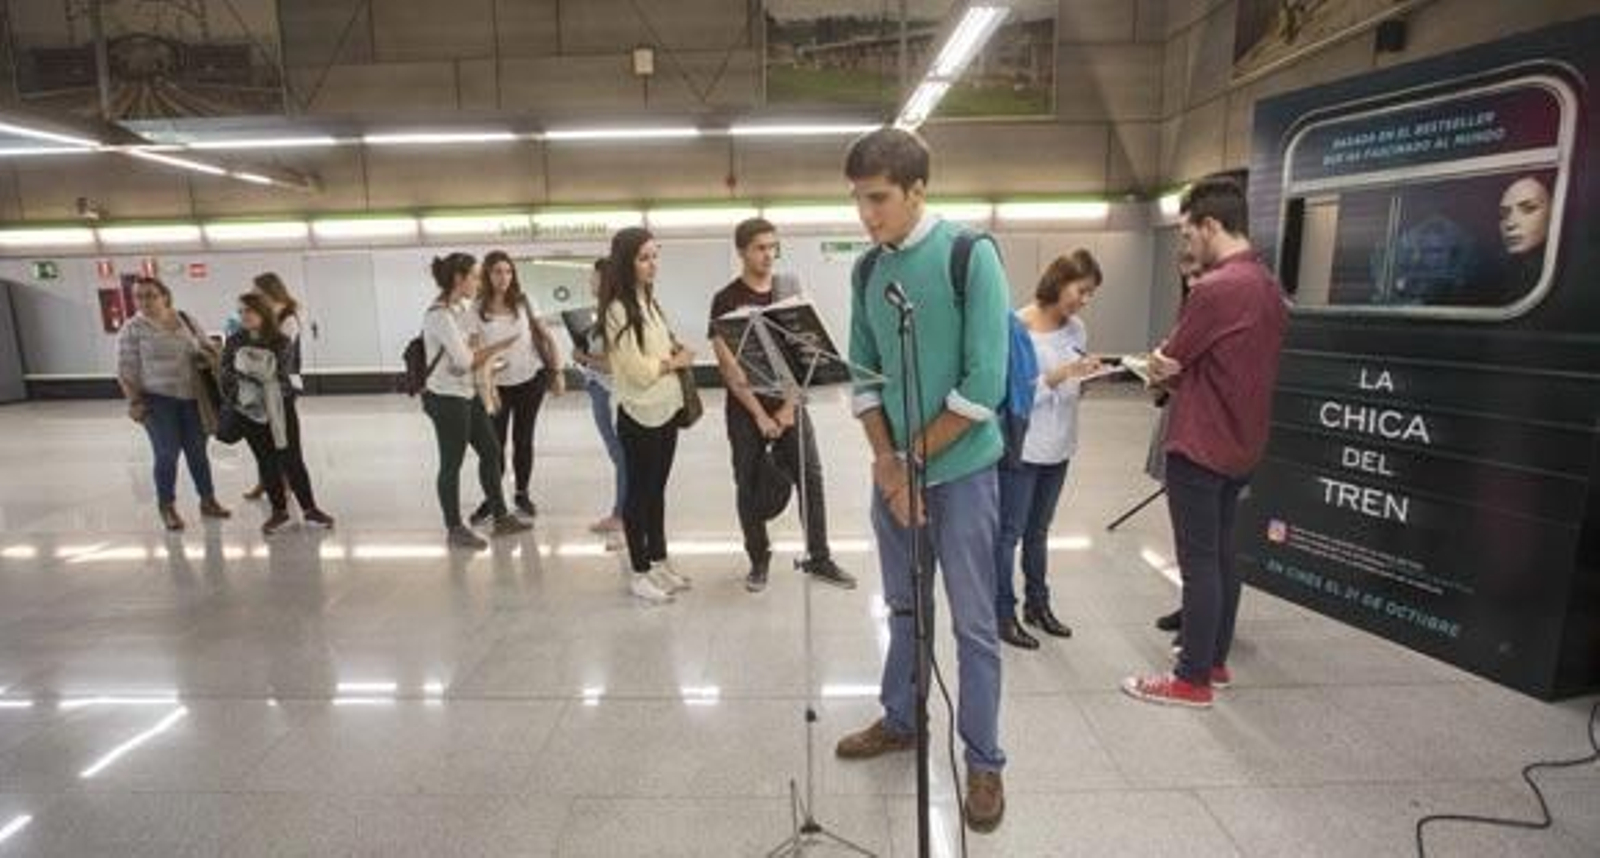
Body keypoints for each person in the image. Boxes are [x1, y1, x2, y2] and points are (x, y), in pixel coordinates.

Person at [832, 127, 1008, 833]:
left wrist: (910, 462)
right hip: (895, 474)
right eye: (857, 201)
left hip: (962, 475)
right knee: (903, 609)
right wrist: (885, 461)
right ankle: (901, 719)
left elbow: (984, 383)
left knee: (972, 625)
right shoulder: (866, 272)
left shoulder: (971, 255)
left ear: (916, 191)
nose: (866, 215)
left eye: (877, 199)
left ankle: (985, 760)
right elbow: (865, 378)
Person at [1123, 175, 1288, 709]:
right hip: (1243, 444)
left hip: (1200, 443)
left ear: (1211, 225)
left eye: (1189, 234)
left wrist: (1155, 368)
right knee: (1220, 554)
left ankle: (1190, 679)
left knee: (1197, 563)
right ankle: (1214, 662)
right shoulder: (1267, 284)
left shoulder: (1216, 289)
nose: (1186, 246)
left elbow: (1169, 362)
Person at [708, 217, 855, 593]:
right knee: (746, 482)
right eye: (760, 248)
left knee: (811, 476)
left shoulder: (789, 289)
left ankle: (819, 556)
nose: (768, 255)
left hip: (791, 403)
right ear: (742, 251)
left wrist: (788, 409)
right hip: (745, 410)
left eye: (773, 247)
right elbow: (729, 367)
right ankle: (759, 557)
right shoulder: (725, 299)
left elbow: (803, 353)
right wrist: (759, 415)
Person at [994, 250, 1104, 650]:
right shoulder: (1017, 325)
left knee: (1039, 532)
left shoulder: (1077, 329)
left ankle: (1038, 605)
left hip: (1060, 443)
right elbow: (1011, 394)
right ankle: (1002, 612)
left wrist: (1087, 377)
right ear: (1059, 282)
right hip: (1024, 445)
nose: (1084, 300)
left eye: (1091, 294)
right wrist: (1056, 378)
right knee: (1009, 534)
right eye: (1081, 290)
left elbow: (1075, 381)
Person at [602, 227, 694, 604]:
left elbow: (653, 353)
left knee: (657, 493)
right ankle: (639, 572)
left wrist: (673, 350)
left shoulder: (650, 302)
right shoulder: (618, 309)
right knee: (638, 497)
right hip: (638, 414)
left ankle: (658, 561)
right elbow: (638, 371)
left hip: (666, 409)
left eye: (655, 256)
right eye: (644, 258)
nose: (652, 264)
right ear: (627, 263)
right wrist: (675, 362)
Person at [420, 252, 534, 551]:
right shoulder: (440, 315)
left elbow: (470, 351)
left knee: (491, 449)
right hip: (446, 398)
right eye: (475, 275)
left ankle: (500, 515)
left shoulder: (461, 308)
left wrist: (481, 364)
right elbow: (467, 359)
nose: (479, 281)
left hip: (467, 393)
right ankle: (454, 527)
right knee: (452, 462)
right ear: (459, 279)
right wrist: (500, 346)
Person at [116, 276, 231, 531]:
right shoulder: (132, 328)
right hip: (157, 401)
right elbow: (126, 370)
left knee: (198, 453)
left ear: (165, 296)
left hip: (193, 398)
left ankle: (208, 500)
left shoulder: (185, 319)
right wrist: (134, 401)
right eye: (139, 296)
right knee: (166, 454)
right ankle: (166, 506)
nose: (144, 301)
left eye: (150, 295)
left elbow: (205, 345)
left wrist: (206, 354)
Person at [219, 292, 334, 535]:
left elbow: (286, 374)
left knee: (292, 459)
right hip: (248, 410)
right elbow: (226, 374)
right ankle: (279, 511)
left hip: (280, 408)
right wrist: (248, 386)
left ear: (262, 312)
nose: (244, 316)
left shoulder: (280, 341)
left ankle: (310, 508)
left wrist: (262, 385)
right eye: (240, 312)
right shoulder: (234, 341)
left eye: (248, 311)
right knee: (266, 461)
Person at [467, 251, 565, 524]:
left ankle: (522, 493)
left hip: (530, 381)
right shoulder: (476, 308)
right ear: (487, 275)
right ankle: (493, 497)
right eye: (498, 272)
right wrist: (483, 383)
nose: (504, 277)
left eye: (508, 272)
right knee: (493, 446)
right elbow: (474, 349)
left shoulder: (524, 301)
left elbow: (545, 336)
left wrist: (557, 372)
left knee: (524, 440)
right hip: (495, 387)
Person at [1153, 251, 1201, 638]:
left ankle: (1202, 639)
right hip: (1184, 424)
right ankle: (1193, 608)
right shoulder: (1191, 308)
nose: (1191, 282)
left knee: (1210, 549)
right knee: (1189, 541)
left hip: (1207, 441)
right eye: (1185, 276)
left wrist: (1165, 365)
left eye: (1197, 273)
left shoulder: (1227, 301)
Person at [571, 259, 627, 538]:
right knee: (621, 455)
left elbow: (613, 364)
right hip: (603, 389)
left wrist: (582, 357)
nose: (590, 283)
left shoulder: (613, 316)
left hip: (609, 392)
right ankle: (624, 512)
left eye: (593, 278)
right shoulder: (605, 314)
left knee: (621, 456)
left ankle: (621, 515)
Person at [243, 273, 306, 502]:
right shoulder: (262, 317)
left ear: (271, 292)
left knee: (281, 437)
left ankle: (285, 483)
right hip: (259, 386)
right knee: (262, 438)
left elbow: (277, 352)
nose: (254, 297)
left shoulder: (287, 318)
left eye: (258, 293)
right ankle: (266, 481)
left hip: (282, 386)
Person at [1493, 174, 1553, 303]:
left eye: (1528, 209)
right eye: (1504, 213)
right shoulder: (1504, 272)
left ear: (1554, 212)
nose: (1510, 224)